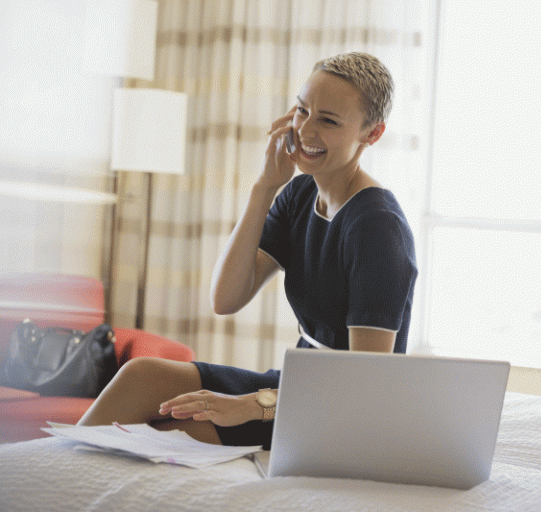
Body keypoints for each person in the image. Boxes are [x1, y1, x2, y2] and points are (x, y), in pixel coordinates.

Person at [77, 52, 418, 448]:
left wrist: (253, 405)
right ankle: (49, 475)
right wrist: (265, 186)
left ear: (371, 133)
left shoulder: (376, 226)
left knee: (168, 429)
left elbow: (366, 388)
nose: (305, 130)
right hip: (295, 386)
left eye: (328, 120)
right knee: (142, 376)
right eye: (302, 110)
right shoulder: (300, 193)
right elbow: (225, 298)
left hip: (340, 414)